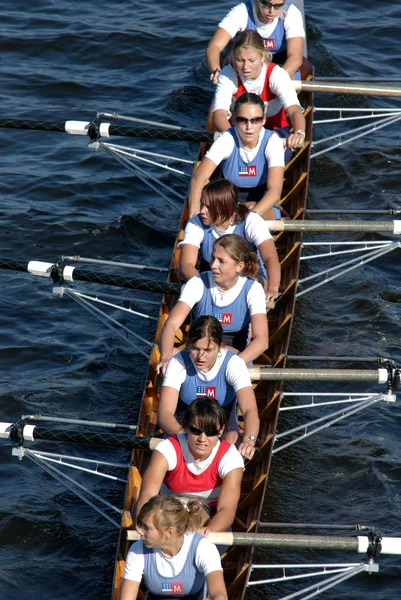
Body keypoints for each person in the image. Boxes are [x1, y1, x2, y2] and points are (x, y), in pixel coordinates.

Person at [158, 234, 269, 370]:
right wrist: (165, 357)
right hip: (198, 351)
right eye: (213, 258)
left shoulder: (253, 289)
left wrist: (236, 364)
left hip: (234, 355)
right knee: (171, 359)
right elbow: (171, 324)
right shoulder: (198, 283)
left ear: (239, 266)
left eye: (221, 261)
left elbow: (262, 340)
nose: (213, 265)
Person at [135, 399, 245, 535]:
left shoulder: (230, 457)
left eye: (210, 433)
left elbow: (227, 510)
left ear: (221, 430)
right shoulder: (167, 449)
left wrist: (206, 532)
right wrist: (143, 524)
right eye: (196, 431)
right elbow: (148, 494)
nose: (202, 439)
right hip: (168, 510)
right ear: (186, 427)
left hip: (208, 514)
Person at [159, 316, 260, 454]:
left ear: (219, 347)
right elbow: (164, 414)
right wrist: (187, 436)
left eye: (208, 350)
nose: (201, 356)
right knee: (168, 449)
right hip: (186, 423)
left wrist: (249, 440)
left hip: (222, 423)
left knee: (233, 439)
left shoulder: (233, 364)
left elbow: (250, 410)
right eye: (195, 348)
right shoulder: (178, 362)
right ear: (188, 344)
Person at [180, 179, 280, 302]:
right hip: (211, 277)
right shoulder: (196, 223)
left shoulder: (251, 221)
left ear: (226, 208)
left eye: (209, 207)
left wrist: (273, 288)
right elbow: (186, 265)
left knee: (259, 288)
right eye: (202, 204)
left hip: (247, 274)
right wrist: (205, 288)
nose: (202, 211)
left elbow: (270, 257)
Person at [188, 93, 284, 220]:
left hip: (261, 207)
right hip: (227, 204)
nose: (249, 127)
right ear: (233, 119)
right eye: (242, 120)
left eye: (255, 120)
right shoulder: (227, 139)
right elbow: (198, 178)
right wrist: (193, 215)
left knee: (251, 213)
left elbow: (274, 192)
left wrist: (250, 218)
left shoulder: (272, 142)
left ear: (264, 119)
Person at [212, 30, 305, 151]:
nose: (245, 67)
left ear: (262, 57)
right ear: (234, 57)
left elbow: (294, 110)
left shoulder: (276, 75)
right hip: (239, 133)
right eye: (240, 60)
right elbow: (218, 116)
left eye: (251, 60)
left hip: (275, 132)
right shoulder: (228, 74)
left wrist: (299, 132)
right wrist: (236, 140)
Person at [120, 495, 227, 600]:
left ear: (169, 532)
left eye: (146, 528)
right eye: (140, 525)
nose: (138, 531)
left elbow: (219, 594)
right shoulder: (138, 550)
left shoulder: (203, 548)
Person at [206, 0, 305, 82]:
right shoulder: (242, 11)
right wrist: (216, 70)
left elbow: (295, 57)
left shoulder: (292, 13)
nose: (271, 11)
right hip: (247, 60)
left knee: (295, 74)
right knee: (230, 67)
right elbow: (214, 46)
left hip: (279, 59)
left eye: (278, 6)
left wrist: (275, 80)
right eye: (266, 4)